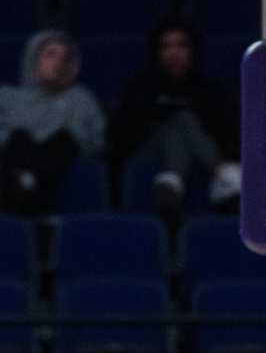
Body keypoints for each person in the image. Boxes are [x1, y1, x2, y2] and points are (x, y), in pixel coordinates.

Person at [107, 21, 240, 217]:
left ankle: (171, 183)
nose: (174, 52)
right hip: (148, 149)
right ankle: (222, 174)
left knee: (179, 129)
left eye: (181, 45)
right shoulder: (140, 86)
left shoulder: (209, 88)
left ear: (192, 50)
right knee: (181, 120)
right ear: (157, 52)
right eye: (166, 46)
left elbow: (226, 128)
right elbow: (124, 131)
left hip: (195, 149)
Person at [0, 31, 105, 216]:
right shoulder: (7, 96)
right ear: (34, 58)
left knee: (65, 140)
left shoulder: (81, 98)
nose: (59, 62)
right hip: (13, 157)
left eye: (66, 57)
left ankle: (29, 185)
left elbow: (95, 141)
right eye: (50, 54)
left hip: (57, 161)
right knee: (19, 137)